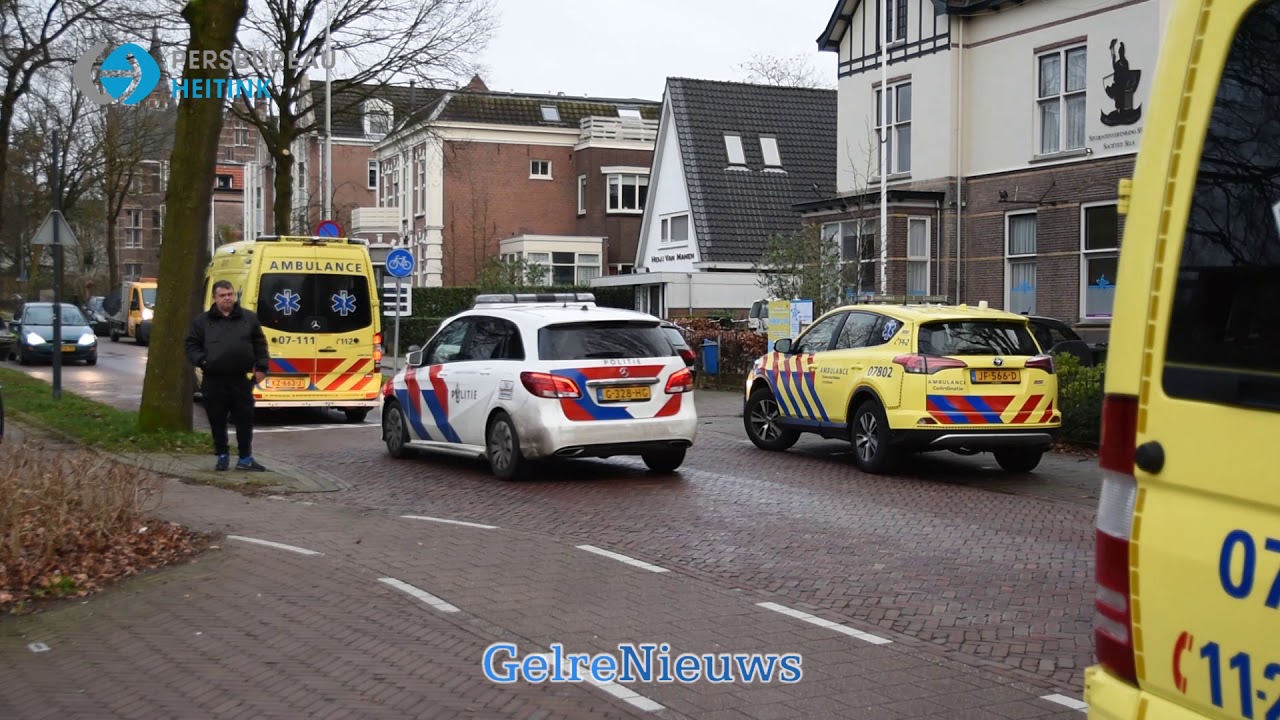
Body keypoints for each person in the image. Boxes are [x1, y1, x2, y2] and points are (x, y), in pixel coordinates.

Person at [185, 280, 269, 472]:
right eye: (223, 295)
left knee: (244, 419)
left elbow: (260, 344)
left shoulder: (248, 318)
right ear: (215, 298)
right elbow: (191, 345)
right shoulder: (202, 321)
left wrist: (262, 367)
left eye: (230, 294)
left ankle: (245, 458)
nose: (227, 298)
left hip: (240, 379)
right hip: (214, 379)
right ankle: (222, 455)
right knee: (217, 419)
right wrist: (203, 361)